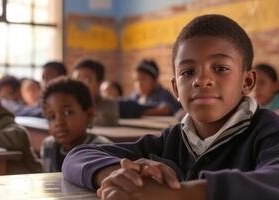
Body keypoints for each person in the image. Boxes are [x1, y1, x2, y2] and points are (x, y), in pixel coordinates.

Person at [62, 14, 279, 200]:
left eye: (220, 68)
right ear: (175, 88)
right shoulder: (172, 141)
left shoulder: (267, 131)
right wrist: (122, 175)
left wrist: (180, 194)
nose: (202, 80)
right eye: (188, 72)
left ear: (247, 82)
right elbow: (77, 157)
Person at [40, 77, 111, 172]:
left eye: (67, 112)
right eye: (52, 117)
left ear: (89, 114)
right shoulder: (48, 146)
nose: (59, 122)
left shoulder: (101, 148)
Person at [72, 59, 119, 126]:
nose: (80, 84)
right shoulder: (68, 104)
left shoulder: (109, 104)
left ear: (99, 83)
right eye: (76, 80)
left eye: (87, 80)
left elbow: (104, 122)